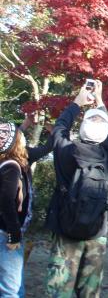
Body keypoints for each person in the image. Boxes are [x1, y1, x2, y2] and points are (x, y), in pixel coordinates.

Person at [44, 80, 108, 298]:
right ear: (104, 134)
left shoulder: (66, 151)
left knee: (59, 289)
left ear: (82, 128)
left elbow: (60, 127)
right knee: (90, 292)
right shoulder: (107, 157)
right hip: (97, 231)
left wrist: (78, 100)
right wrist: (101, 99)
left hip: (66, 228)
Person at [0, 117, 53, 297]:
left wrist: (29, 124)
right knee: (11, 289)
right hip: (6, 234)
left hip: (7, 233)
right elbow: (6, 202)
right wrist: (13, 234)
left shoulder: (18, 159)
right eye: (20, 134)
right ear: (16, 142)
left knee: (15, 284)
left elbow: (46, 148)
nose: (23, 136)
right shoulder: (12, 167)